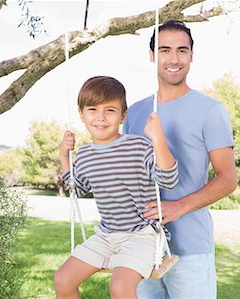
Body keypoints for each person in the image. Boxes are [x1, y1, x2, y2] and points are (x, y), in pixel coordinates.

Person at [123, 20, 238, 298]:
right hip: (142, 249)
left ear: (191, 55)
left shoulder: (210, 110)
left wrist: (177, 208)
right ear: (152, 56)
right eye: (164, 50)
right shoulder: (135, 112)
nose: (174, 59)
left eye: (181, 50)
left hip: (191, 249)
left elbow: (228, 179)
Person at [54, 76, 179, 299]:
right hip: (106, 235)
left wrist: (159, 140)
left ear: (123, 115)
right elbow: (76, 188)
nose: (101, 117)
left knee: (120, 288)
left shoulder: (138, 146)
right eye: (92, 109)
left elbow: (168, 179)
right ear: (81, 114)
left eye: (110, 110)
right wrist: (64, 155)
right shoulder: (84, 154)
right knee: (63, 279)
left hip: (142, 235)